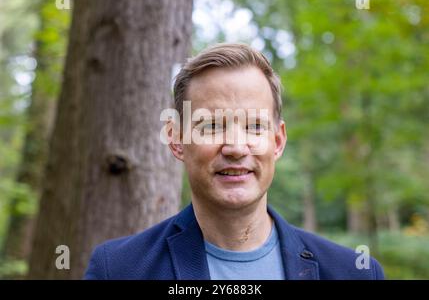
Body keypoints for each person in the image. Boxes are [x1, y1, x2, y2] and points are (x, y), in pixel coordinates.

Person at [84, 43, 384, 280]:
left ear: (277, 141)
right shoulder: (118, 269)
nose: (237, 147)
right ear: (177, 140)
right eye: (212, 125)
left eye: (254, 126)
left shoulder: (355, 272)